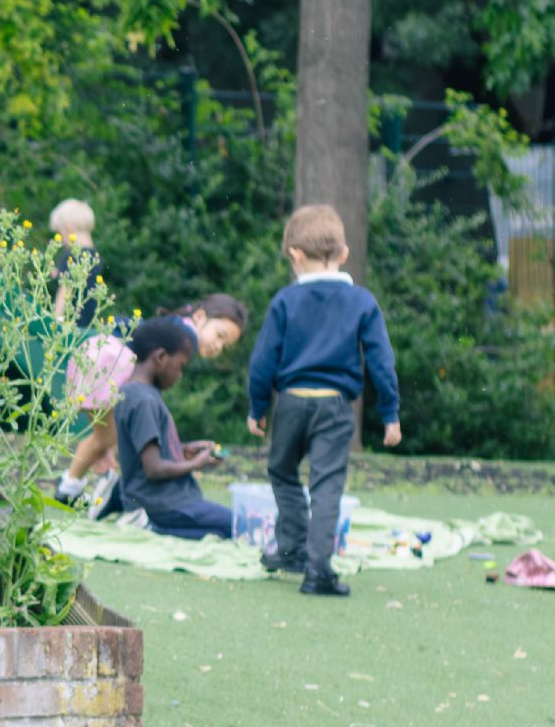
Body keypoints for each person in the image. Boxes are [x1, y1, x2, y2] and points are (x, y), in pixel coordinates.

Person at [246, 204, 403, 597]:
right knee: (327, 484)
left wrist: (258, 407)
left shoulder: (285, 301)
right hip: (335, 407)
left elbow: (263, 359)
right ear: (344, 254)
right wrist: (390, 415)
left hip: (292, 403)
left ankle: (292, 549)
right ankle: (318, 570)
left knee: (282, 471)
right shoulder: (362, 302)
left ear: (295, 256)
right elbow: (381, 362)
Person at [59, 294, 248, 503]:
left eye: (225, 345)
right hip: (110, 364)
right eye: (220, 335)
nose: (218, 347)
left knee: (108, 438)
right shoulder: (186, 336)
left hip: (101, 356)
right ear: (201, 316)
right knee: (111, 439)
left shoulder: (177, 326)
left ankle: (74, 487)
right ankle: (81, 489)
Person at [111, 318, 234, 538]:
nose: (180, 374)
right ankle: (149, 525)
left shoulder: (136, 393)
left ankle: (151, 525)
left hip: (161, 502)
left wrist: (184, 450)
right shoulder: (143, 401)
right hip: (163, 504)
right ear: (160, 358)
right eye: (181, 366)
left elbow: (147, 452)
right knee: (235, 525)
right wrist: (198, 462)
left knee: (220, 530)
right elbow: (154, 468)